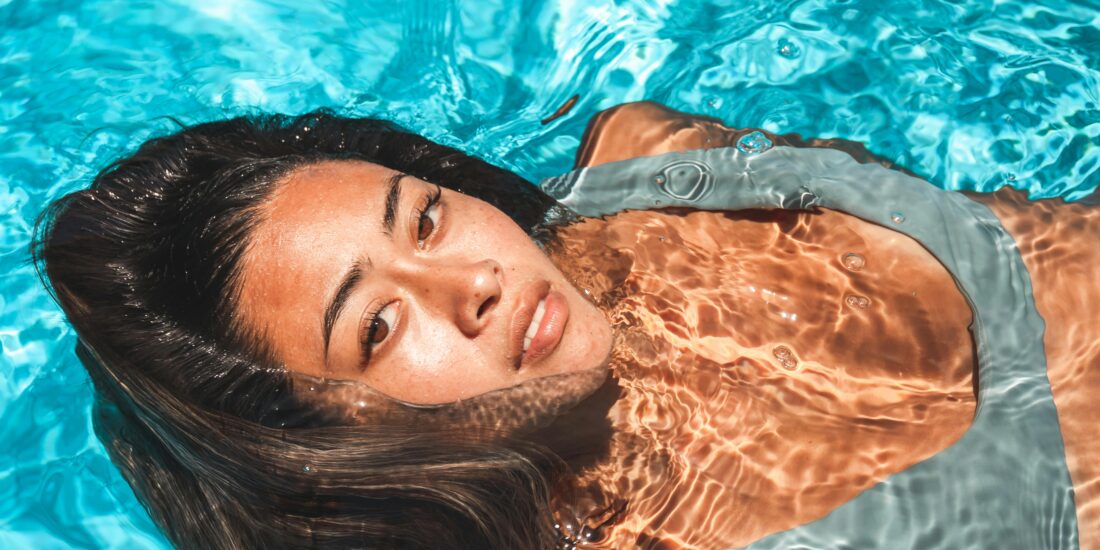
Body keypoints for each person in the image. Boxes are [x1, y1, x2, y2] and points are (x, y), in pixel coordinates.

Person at [32, 102, 1098, 549]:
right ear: (322, 443)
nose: (472, 283)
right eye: (377, 325)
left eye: (424, 215)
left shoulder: (662, 173)